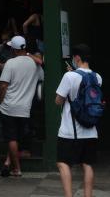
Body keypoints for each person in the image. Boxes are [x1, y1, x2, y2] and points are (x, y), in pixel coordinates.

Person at [55, 44, 101, 197]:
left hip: (70, 132)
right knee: (87, 165)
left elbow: (58, 101)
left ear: (77, 58)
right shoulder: (97, 77)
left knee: (63, 162)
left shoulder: (69, 76)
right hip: (91, 131)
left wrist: (70, 77)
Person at [0, 36, 44, 177]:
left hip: (8, 106)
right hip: (25, 108)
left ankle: (16, 169)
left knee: (11, 138)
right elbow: (41, 78)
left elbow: (3, 85)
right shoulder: (34, 64)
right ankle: (7, 162)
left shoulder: (10, 63)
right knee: (15, 137)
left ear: (14, 49)